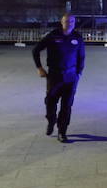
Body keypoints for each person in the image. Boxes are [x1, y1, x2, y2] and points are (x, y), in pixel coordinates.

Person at [33, 14, 86, 143]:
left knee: (66, 106)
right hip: (54, 76)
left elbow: (81, 57)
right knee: (50, 102)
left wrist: (78, 73)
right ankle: (51, 120)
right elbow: (36, 50)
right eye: (67, 21)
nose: (70, 23)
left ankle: (62, 132)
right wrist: (39, 68)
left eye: (72, 21)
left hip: (71, 77)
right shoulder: (53, 35)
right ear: (62, 22)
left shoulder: (78, 38)